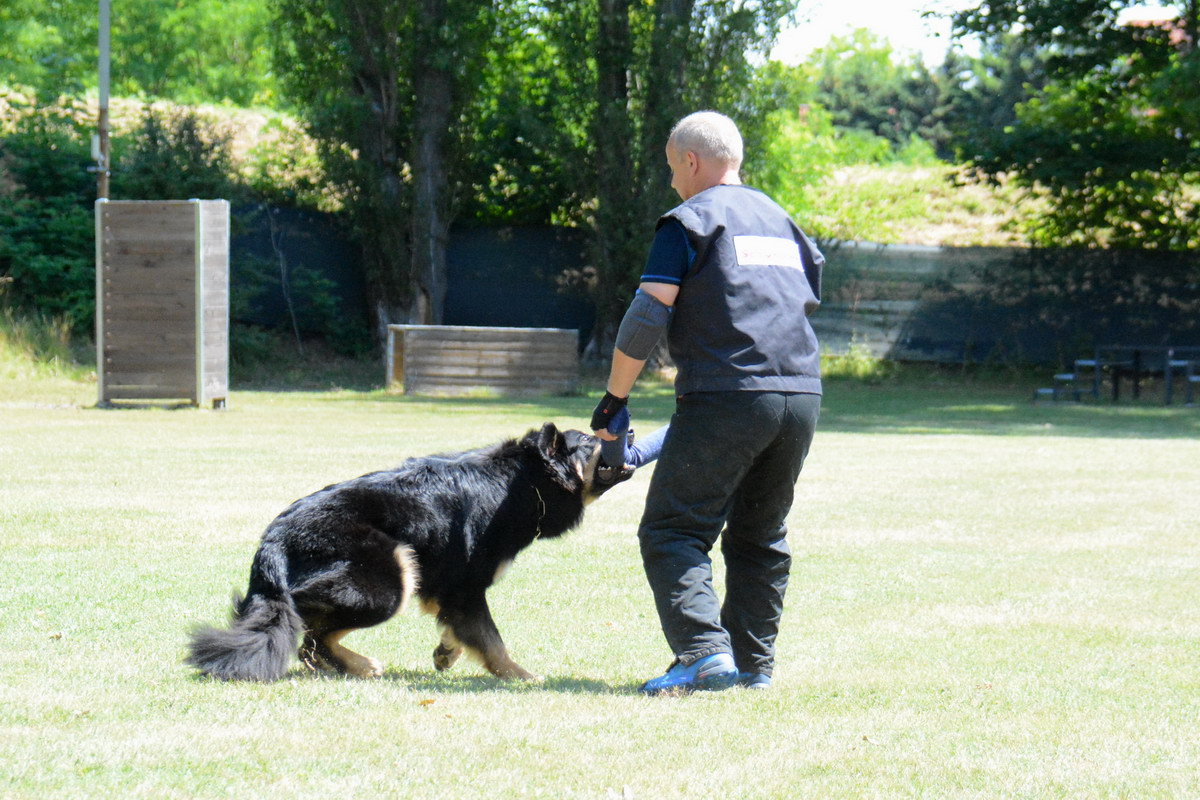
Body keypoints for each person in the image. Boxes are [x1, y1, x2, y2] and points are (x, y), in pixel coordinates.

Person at [590, 110, 823, 695]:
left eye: (673, 168)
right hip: (802, 395)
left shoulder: (688, 220)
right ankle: (753, 667)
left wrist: (615, 400)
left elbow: (647, 314)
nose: (672, 182)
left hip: (727, 394)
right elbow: (801, 303)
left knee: (673, 530)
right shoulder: (783, 222)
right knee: (760, 533)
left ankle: (702, 655)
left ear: (691, 161)